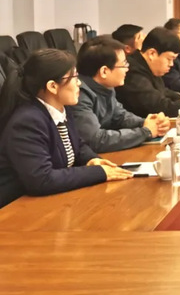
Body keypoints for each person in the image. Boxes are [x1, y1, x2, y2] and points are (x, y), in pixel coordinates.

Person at [0, 49, 132, 208]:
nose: (79, 83)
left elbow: (78, 144)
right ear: (53, 86)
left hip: (50, 201)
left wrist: (91, 159)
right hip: (16, 207)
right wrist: (99, 172)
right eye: (74, 77)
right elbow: (42, 179)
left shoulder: (61, 108)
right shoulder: (27, 121)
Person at [69, 36, 170, 152]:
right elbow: (96, 140)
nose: (127, 69)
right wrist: (145, 132)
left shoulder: (105, 86)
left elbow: (119, 116)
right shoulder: (78, 94)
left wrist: (149, 123)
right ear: (104, 71)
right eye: (124, 64)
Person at [116, 27, 180, 118]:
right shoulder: (132, 72)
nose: (171, 64)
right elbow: (158, 107)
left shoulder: (146, 66)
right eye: (169, 59)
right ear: (152, 53)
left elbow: (162, 91)